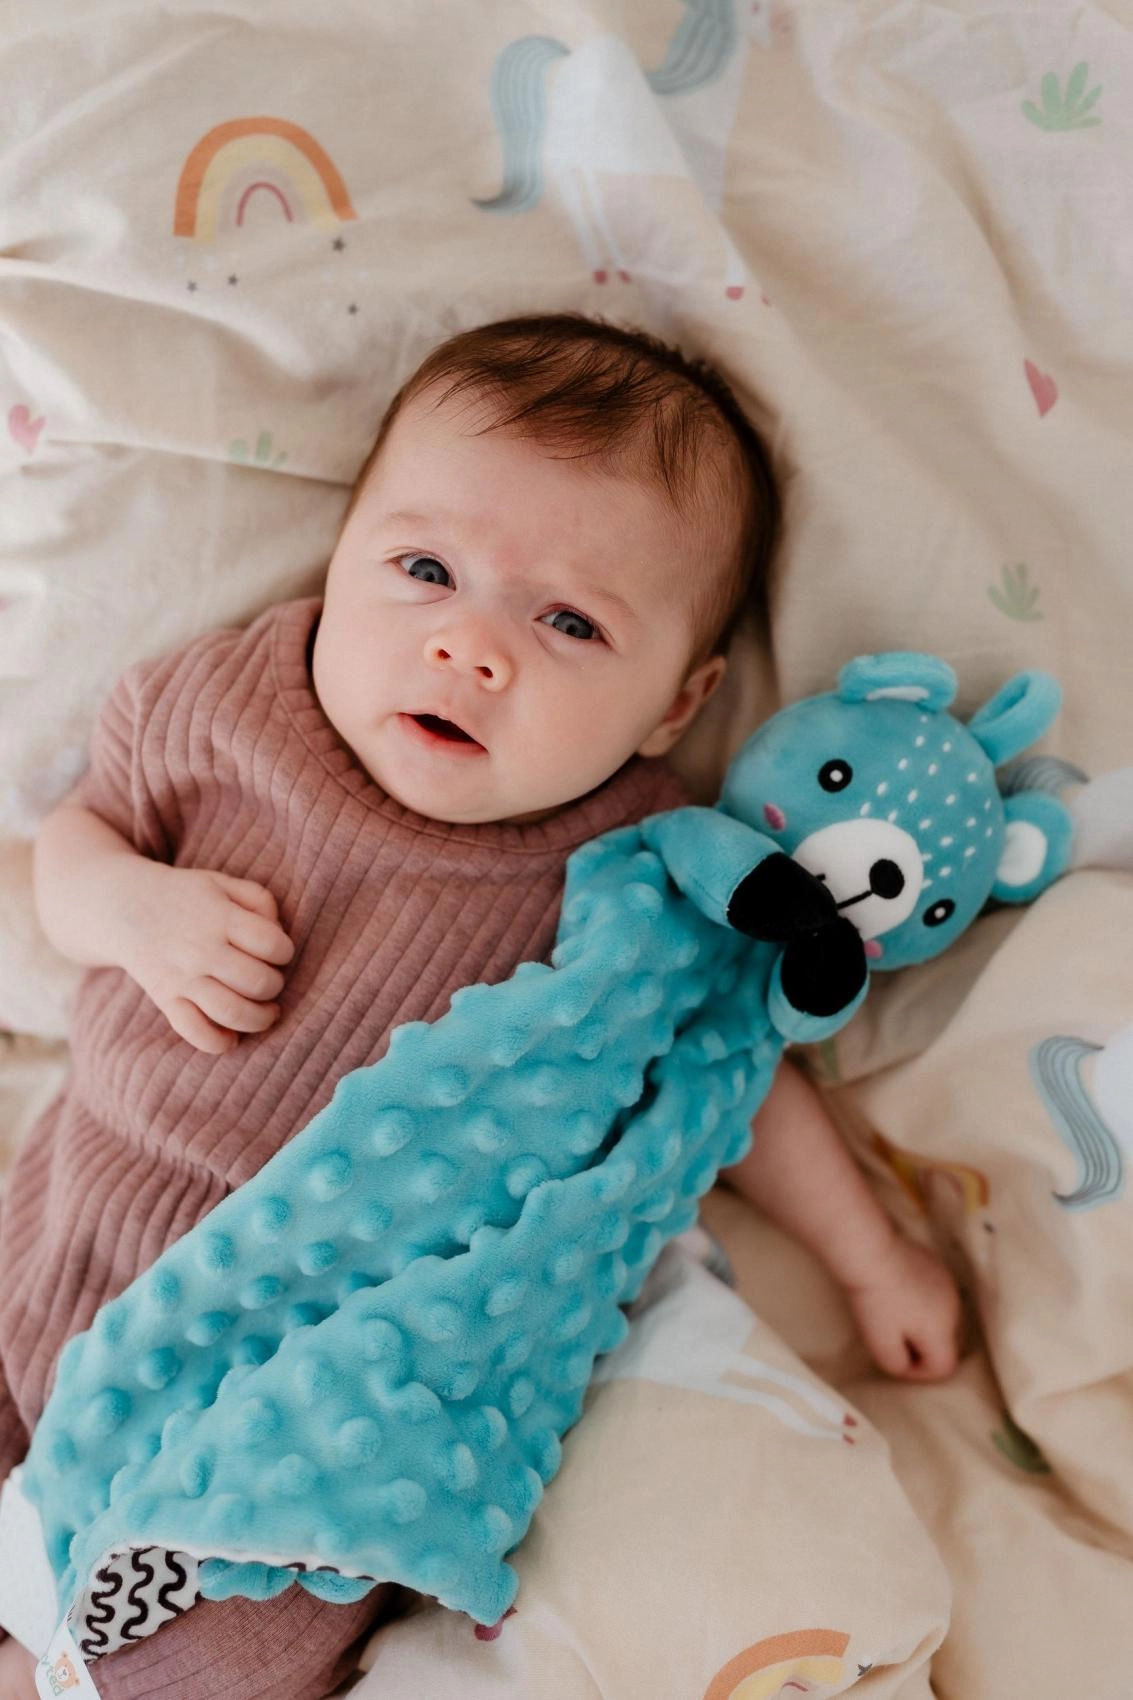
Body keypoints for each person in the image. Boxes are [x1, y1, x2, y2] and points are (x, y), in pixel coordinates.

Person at [0, 313, 960, 1700]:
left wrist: (871, 1262)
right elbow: (70, 849)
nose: (470, 646)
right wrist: (131, 910)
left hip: (311, 1384)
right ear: (341, 559)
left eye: (570, 623)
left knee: (245, 1624)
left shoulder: (636, 882)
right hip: (66, 1250)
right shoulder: (225, 707)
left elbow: (725, 1086)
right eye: (424, 571)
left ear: (674, 705)